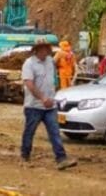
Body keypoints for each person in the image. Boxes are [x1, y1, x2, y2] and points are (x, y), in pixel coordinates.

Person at [20, 39, 77, 170]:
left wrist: (52, 96)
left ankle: (61, 158)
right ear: (37, 49)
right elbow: (29, 84)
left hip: (50, 106)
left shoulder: (50, 62)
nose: (46, 51)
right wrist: (42, 98)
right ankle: (25, 154)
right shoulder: (29, 64)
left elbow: (53, 80)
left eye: (47, 48)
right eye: (43, 48)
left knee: (54, 132)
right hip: (34, 106)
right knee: (29, 131)